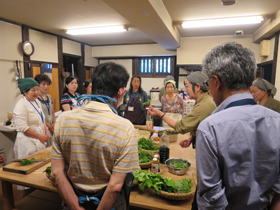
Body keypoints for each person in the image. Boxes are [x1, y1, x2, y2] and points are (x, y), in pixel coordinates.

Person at [196, 41, 280, 210]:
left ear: (216, 81)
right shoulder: (277, 120)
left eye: (208, 82)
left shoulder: (210, 128)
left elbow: (212, 200)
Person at [51, 62, 139, 210]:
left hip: (72, 199)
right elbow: (115, 186)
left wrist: (76, 207)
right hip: (109, 204)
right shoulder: (125, 128)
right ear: (121, 91)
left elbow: (56, 173)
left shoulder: (63, 120)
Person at [148, 71, 216, 149]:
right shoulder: (203, 101)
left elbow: (180, 126)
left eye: (187, 86)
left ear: (197, 87)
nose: (185, 90)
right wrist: (192, 138)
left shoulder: (204, 105)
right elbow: (198, 125)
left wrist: (160, 114)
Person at [13, 78, 50, 192]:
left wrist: (46, 131)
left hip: (38, 139)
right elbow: (23, 127)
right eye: (33, 90)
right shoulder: (21, 105)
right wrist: (41, 137)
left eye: (37, 90)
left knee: (38, 169)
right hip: (27, 141)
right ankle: (27, 195)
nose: (36, 93)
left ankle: (38, 190)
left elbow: (41, 119)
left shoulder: (36, 102)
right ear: (25, 91)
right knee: (28, 172)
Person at [34, 74, 55, 146]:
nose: (46, 87)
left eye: (47, 84)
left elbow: (52, 111)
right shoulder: (35, 99)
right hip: (43, 128)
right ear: (37, 85)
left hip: (52, 127)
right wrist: (49, 126)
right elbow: (39, 115)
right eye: (43, 84)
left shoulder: (49, 97)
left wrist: (54, 123)